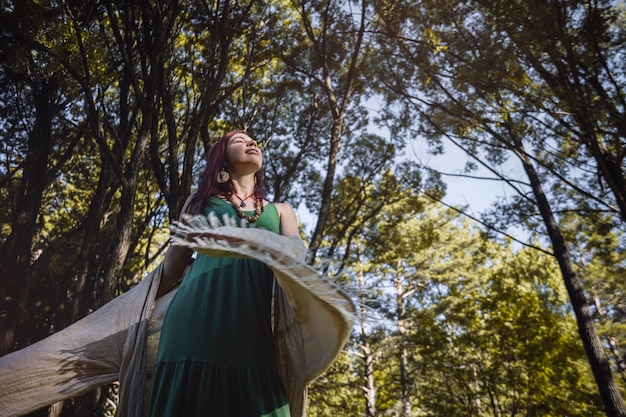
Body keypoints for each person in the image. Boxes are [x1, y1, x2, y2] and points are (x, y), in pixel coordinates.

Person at [147, 130, 300, 417]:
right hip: (192, 328)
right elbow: (171, 269)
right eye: (239, 141)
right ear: (222, 160)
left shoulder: (281, 212)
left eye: (253, 140)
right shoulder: (199, 203)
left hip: (252, 334)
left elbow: (296, 261)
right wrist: (137, 314)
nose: (252, 143)